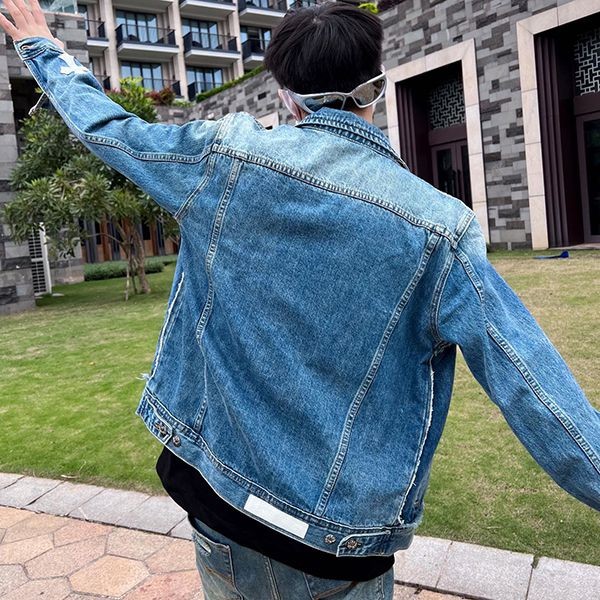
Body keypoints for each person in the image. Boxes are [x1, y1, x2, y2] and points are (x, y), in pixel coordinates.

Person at [2, 1, 598, 599]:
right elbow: (532, 385)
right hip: (332, 542)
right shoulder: (440, 228)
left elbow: (109, 128)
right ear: (377, 86)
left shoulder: (222, 159)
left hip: (217, 505)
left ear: (287, 98)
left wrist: (43, 50)